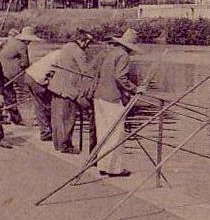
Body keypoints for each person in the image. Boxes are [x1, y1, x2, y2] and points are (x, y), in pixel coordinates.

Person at [92, 28, 144, 177]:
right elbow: (120, 77)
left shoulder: (111, 52)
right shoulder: (123, 56)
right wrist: (135, 89)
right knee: (116, 133)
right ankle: (114, 169)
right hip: (112, 98)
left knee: (103, 132)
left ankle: (103, 165)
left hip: (99, 96)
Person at [47, 29, 95, 154]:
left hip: (57, 86)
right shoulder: (79, 52)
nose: (88, 46)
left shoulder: (67, 46)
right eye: (87, 42)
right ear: (80, 40)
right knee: (68, 118)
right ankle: (65, 146)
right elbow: (87, 71)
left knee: (57, 117)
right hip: (68, 88)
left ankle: (58, 143)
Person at [0, 26, 41, 125]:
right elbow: (25, 63)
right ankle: (29, 117)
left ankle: (10, 118)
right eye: (29, 40)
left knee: (7, 94)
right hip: (8, 73)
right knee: (28, 90)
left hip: (0, 72)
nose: (30, 43)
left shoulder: (11, 42)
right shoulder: (22, 46)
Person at [23, 48, 62, 142]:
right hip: (37, 79)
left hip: (29, 75)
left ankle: (45, 132)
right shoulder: (62, 57)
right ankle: (50, 131)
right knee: (48, 105)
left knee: (39, 106)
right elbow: (53, 74)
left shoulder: (57, 52)